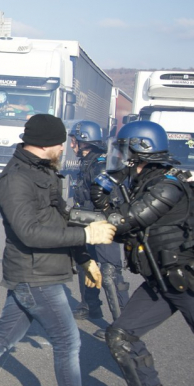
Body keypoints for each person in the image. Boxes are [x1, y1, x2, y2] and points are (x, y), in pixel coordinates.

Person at [0, 114, 117, 386]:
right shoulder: (15, 179)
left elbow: (59, 218)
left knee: (4, 335)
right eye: (60, 143)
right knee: (68, 341)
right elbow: (29, 232)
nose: (63, 148)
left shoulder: (44, 170)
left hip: (42, 269)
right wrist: (86, 234)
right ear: (44, 142)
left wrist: (84, 258)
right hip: (34, 273)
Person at [91, 120, 194, 386]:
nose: (120, 157)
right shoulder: (142, 186)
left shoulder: (167, 186)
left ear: (140, 151)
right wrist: (101, 192)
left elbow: (124, 221)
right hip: (162, 282)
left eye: (124, 150)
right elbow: (123, 230)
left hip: (187, 280)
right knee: (120, 337)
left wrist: (80, 219)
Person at [68, 120, 130, 337]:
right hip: (89, 224)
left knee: (111, 272)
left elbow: (110, 200)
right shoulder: (87, 162)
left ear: (83, 141)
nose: (71, 144)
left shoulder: (100, 165)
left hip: (103, 227)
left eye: (73, 140)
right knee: (87, 263)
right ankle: (90, 305)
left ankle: (124, 326)